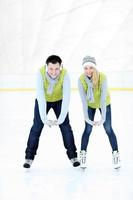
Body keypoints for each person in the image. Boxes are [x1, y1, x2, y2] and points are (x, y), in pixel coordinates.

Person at [23, 55, 80, 168]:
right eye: (51, 69)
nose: (54, 72)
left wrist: (62, 117)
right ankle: (29, 158)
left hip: (59, 100)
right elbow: (40, 96)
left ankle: (73, 156)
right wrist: (44, 118)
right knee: (37, 127)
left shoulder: (65, 74)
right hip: (43, 100)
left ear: (61, 67)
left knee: (66, 127)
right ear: (46, 67)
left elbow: (67, 96)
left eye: (56, 69)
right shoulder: (40, 73)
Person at [78, 55, 121, 169]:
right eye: (85, 68)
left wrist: (102, 119)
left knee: (108, 129)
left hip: (104, 103)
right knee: (87, 129)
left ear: (94, 68)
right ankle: (82, 154)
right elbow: (83, 101)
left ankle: (115, 154)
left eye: (90, 67)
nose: (88, 71)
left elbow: (102, 98)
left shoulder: (102, 77)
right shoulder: (81, 79)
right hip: (90, 105)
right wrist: (87, 119)